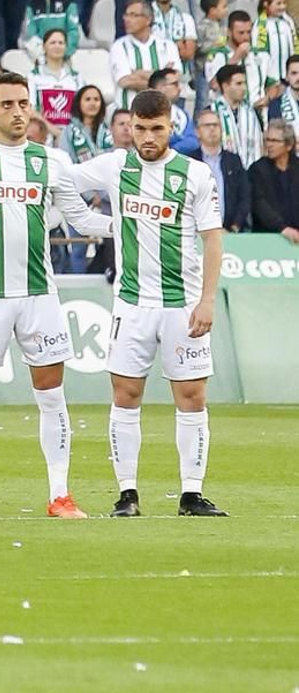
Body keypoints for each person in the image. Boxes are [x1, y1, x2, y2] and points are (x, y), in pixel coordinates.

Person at [0, 71, 114, 521]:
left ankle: (60, 495)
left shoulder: (50, 161)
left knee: (52, 397)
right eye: (8, 104)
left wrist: (127, 226)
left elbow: (80, 219)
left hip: (40, 296)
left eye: (23, 104)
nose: (18, 112)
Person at [74, 85, 226, 518]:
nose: (146, 138)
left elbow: (213, 240)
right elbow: (58, 176)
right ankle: (127, 493)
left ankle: (192, 494)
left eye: (156, 129)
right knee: (125, 393)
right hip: (132, 303)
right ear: (129, 128)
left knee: (192, 396)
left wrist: (208, 300)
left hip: (182, 303)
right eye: (139, 129)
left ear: (170, 126)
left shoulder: (195, 174)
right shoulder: (114, 166)